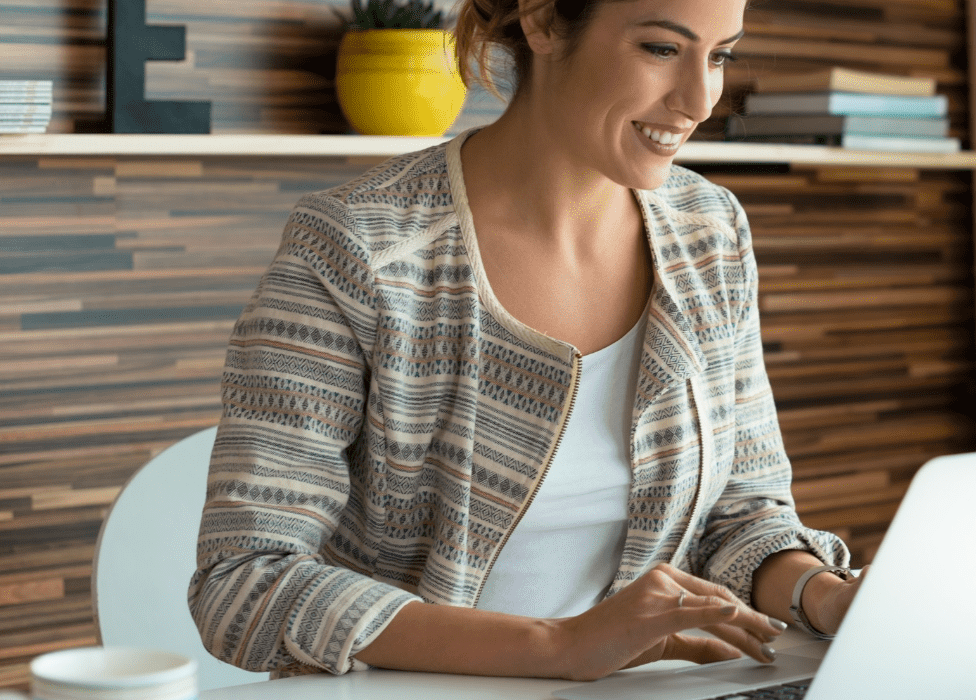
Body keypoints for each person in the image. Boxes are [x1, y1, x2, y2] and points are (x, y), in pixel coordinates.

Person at [188, 0, 864, 682]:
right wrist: (560, 647)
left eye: (718, 57)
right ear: (542, 22)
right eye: (662, 49)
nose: (698, 100)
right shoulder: (359, 247)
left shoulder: (708, 232)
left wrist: (827, 597)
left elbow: (741, 513)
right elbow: (244, 580)